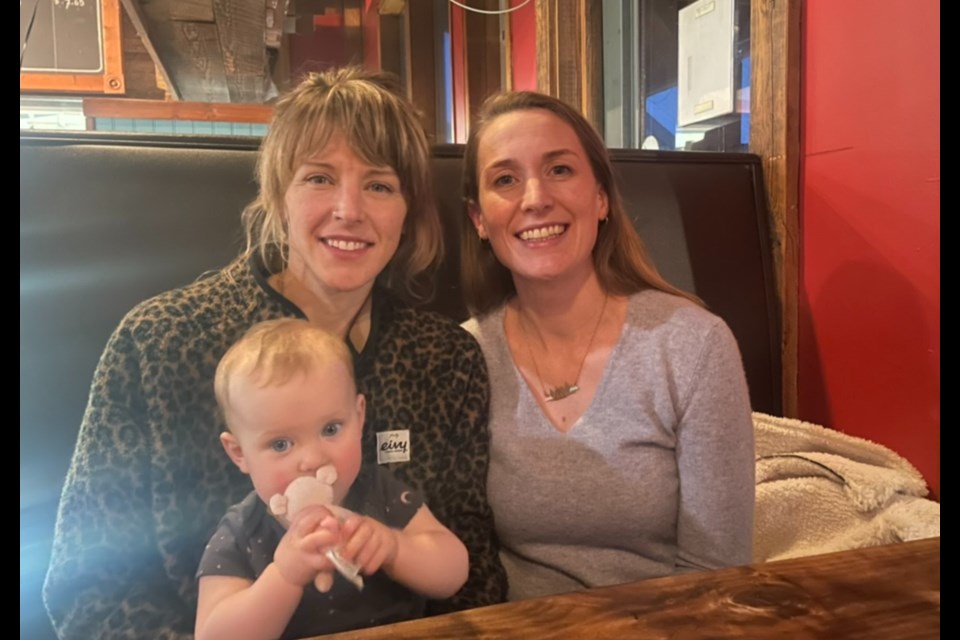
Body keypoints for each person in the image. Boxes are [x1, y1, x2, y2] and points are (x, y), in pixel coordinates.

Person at [43, 67, 506, 639]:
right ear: (277, 195)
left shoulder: (445, 359)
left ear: (407, 211)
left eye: (379, 185)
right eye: (318, 178)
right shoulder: (160, 341)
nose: (348, 209)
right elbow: (89, 597)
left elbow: (475, 576)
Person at [460, 91, 755, 601]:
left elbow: (715, 574)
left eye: (559, 170)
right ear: (479, 219)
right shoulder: (462, 357)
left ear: (600, 198)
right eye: (505, 179)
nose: (534, 198)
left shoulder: (694, 345)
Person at [195, 319, 468, 639]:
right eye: (281, 444)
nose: (312, 460)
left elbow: (454, 572)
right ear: (239, 453)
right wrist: (285, 576)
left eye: (331, 429)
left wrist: (396, 548)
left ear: (359, 416)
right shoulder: (242, 530)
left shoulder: (379, 492)